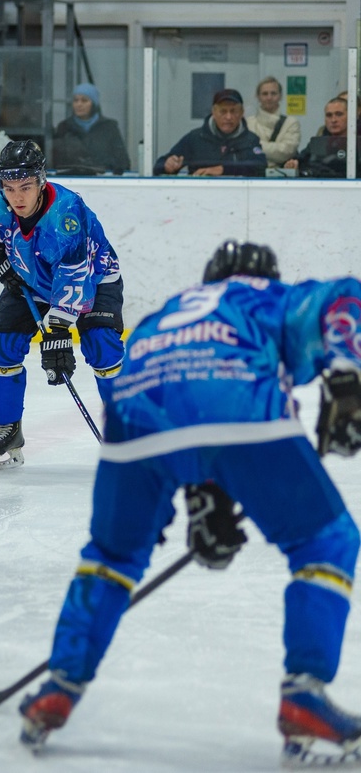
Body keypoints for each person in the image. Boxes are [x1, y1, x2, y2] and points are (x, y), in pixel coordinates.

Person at [19, 241, 361, 769]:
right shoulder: (268, 297)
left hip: (133, 419)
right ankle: (305, 696)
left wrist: (206, 495)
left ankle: (60, 686)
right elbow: (345, 298)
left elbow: (183, 392)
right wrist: (346, 377)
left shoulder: (169, 312)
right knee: (326, 540)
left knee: (112, 554)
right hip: (235, 406)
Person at [0, 139, 124, 470]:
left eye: (25, 187)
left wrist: (59, 329)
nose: (17, 197)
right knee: (2, 345)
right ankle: (8, 428)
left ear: (41, 181)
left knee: (101, 346)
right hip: (31, 280)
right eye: (8, 188)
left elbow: (75, 274)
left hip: (93, 277)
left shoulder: (66, 215)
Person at [154, 88, 268, 177]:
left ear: (242, 112)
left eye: (234, 111)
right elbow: (158, 166)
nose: (228, 117)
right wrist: (167, 166)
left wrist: (223, 170)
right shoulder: (195, 138)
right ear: (213, 112)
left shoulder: (250, 140)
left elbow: (260, 168)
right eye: (223, 111)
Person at [50, 82, 132, 175]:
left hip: (103, 181)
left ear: (93, 103)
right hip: (71, 180)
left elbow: (122, 162)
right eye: (76, 100)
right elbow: (54, 162)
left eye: (84, 100)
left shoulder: (109, 127)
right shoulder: (64, 127)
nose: (79, 104)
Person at [285, 97, 357, 178]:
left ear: (351, 116)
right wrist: (292, 164)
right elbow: (299, 160)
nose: (333, 120)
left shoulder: (357, 143)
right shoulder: (317, 143)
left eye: (339, 114)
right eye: (329, 115)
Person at [247, 75, 301, 169]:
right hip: (254, 176)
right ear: (258, 97)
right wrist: (275, 151)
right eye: (265, 94)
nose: (269, 97)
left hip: (281, 177)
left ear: (280, 96)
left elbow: (287, 152)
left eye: (273, 93)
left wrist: (257, 147)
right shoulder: (248, 123)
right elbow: (246, 153)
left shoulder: (291, 123)